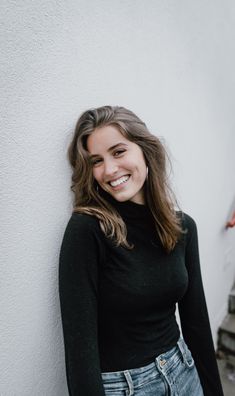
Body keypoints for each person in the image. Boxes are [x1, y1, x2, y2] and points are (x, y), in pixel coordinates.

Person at [59, 106, 224, 396]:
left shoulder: (183, 227)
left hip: (184, 370)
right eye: (97, 161)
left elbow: (196, 323)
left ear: (145, 150)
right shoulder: (87, 230)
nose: (109, 170)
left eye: (119, 152)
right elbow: (80, 352)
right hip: (127, 388)